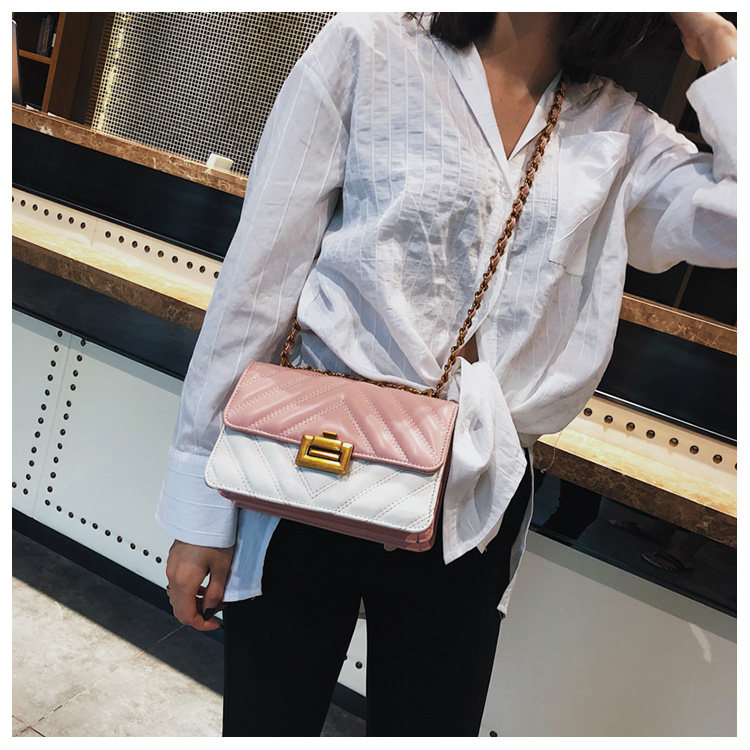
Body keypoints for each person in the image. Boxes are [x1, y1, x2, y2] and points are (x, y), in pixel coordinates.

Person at [155, 12, 737, 737]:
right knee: (268, 725)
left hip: (474, 495)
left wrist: (715, 39)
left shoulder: (620, 131)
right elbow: (259, 277)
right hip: (315, 456)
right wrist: (199, 505)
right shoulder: (371, 46)